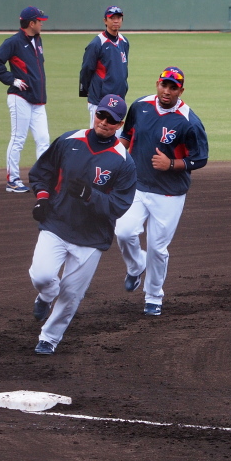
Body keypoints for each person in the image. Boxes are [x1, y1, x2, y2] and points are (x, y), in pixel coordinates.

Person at [27, 94, 137, 355]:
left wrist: (90, 195)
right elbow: (41, 172)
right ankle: (45, 295)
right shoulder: (68, 140)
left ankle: (49, 339)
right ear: (95, 113)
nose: (104, 122)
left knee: (71, 294)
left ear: (120, 124)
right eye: (101, 115)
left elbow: (120, 205)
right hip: (57, 223)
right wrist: (42, 199)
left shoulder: (123, 161)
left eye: (112, 120)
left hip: (91, 236)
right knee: (41, 276)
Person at [114, 67, 208, 316]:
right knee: (123, 232)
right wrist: (112, 156)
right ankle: (135, 267)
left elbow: (200, 159)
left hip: (169, 193)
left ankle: (154, 295)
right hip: (136, 185)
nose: (167, 91)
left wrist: (173, 165)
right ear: (157, 84)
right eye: (164, 85)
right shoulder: (140, 106)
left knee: (157, 248)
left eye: (173, 87)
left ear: (181, 90)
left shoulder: (189, 122)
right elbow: (126, 135)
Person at [0, 6, 50, 194]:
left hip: (38, 100)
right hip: (20, 98)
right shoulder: (14, 42)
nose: (42, 24)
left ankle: (43, 179)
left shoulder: (37, 40)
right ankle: (13, 180)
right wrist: (12, 80)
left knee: (43, 140)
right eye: (40, 21)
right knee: (18, 139)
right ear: (31, 23)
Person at [79, 6, 129, 129]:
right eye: (112, 18)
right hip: (100, 101)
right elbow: (86, 70)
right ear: (105, 21)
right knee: (96, 136)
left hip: (118, 99)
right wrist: (88, 92)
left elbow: (123, 69)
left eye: (118, 17)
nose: (116, 21)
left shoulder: (124, 42)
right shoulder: (97, 43)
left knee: (116, 140)